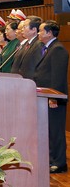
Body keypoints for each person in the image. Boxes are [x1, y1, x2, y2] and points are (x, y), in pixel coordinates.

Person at [34, 20, 69, 174]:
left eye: (41, 31)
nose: (39, 34)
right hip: (47, 98)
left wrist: (54, 97)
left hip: (55, 99)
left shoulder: (58, 49)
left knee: (56, 131)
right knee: (49, 130)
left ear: (49, 33)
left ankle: (60, 163)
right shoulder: (49, 48)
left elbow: (58, 77)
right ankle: (51, 159)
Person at [12, 16, 43, 80]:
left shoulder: (38, 44)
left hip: (29, 83)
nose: (22, 29)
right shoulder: (26, 43)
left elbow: (37, 69)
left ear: (33, 30)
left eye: (24, 27)